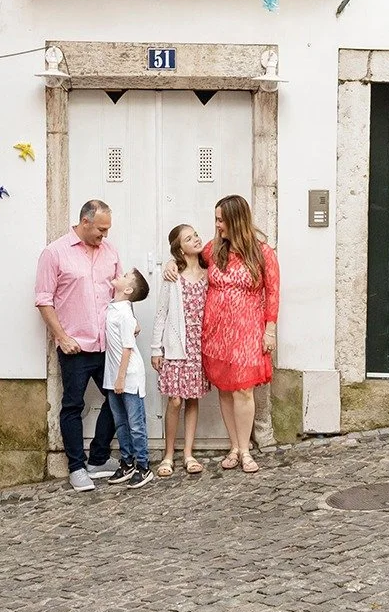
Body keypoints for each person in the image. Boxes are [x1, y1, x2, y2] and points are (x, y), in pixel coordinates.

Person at [164, 194, 279, 474]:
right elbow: (187, 259)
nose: (216, 225)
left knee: (243, 390)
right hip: (216, 331)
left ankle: (246, 449)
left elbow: (273, 293)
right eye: (216, 220)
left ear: (235, 220)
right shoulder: (213, 250)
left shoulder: (262, 253)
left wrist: (270, 330)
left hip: (247, 330)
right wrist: (171, 263)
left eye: (220, 220)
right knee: (225, 390)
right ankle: (235, 447)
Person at [34, 199, 121, 492]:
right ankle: (76, 467)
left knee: (118, 399)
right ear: (85, 222)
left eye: (107, 230)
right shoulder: (54, 253)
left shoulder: (110, 252)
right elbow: (44, 299)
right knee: (73, 405)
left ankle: (98, 458)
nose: (104, 235)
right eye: (100, 229)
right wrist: (62, 337)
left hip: (107, 344)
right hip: (75, 346)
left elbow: (120, 293)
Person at [151, 223, 209, 478]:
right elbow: (161, 313)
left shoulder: (209, 273)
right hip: (176, 346)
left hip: (200, 345)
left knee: (193, 398)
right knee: (175, 400)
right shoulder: (173, 276)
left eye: (195, 235)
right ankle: (168, 454)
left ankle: (188, 453)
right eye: (188, 238)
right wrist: (156, 348)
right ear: (180, 249)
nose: (196, 239)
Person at [104, 267, 154, 488]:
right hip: (113, 374)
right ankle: (127, 462)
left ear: (128, 289)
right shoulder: (115, 307)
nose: (120, 274)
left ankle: (143, 465)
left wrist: (121, 378)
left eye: (125, 276)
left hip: (128, 374)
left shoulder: (124, 314)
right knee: (120, 422)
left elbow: (127, 347)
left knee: (135, 424)